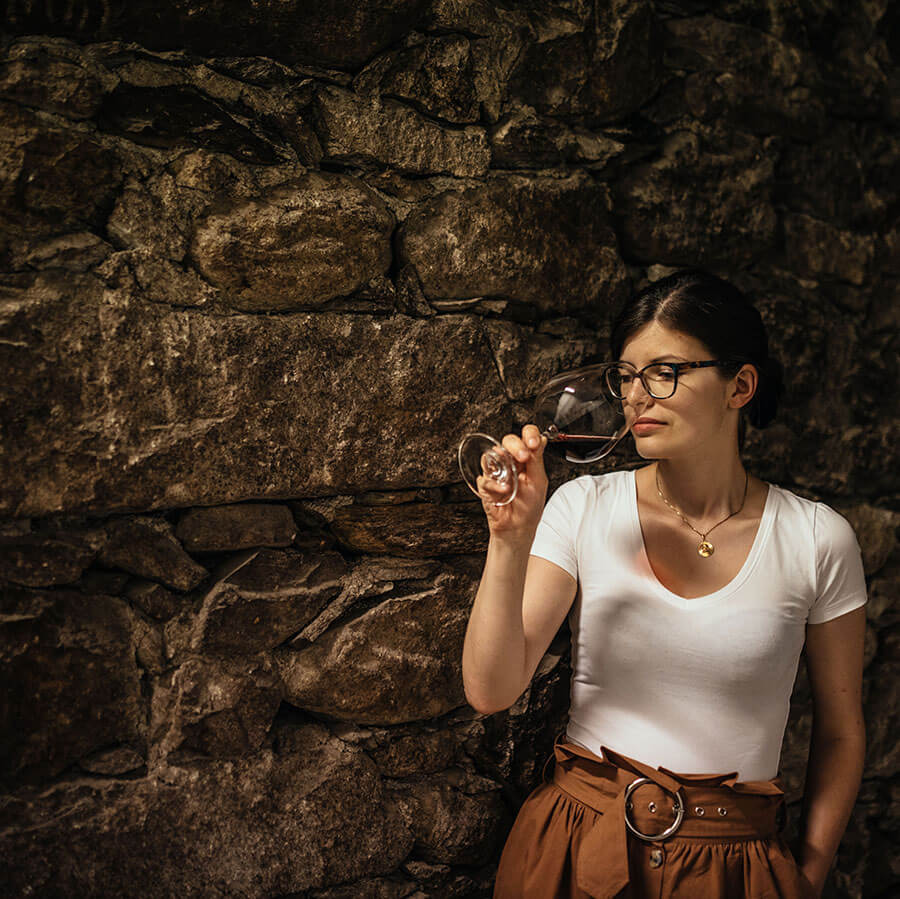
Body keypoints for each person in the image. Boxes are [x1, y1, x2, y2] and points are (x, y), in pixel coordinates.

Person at [461, 269, 868, 899]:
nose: (635, 397)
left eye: (665, 372)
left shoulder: (818, 539)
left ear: (740, 385)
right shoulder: (583, 506)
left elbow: (841, 734)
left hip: (737, 863)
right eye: (626, 376)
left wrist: (806, 877)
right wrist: (510, 537)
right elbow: (490, 690)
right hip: (577, 845)